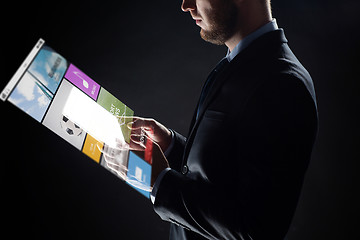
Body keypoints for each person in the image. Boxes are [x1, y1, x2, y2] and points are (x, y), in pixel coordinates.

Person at [128, 0, 318, 239]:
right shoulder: (238, 61)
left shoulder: (283, 84)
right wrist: (171, 147)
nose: (186, 5)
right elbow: (225, 176)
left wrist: (161, 181)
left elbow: (255, 230)